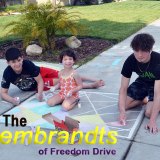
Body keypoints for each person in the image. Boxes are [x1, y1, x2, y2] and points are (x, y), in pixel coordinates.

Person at [1, 47, 104, 105]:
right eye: (13, 62)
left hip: (41, 72)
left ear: (22, 58)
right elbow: (3, 93)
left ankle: (92, 80)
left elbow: (40, 80)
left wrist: (40, 93)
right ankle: (91, 85)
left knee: (67, 74)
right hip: (34, 85)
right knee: (64, 80)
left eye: (19, 60)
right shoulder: (8, 73)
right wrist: (12, 100)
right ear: (8, 63)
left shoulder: (27, 64)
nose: (17, 64)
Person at [118, 33, 160, 134]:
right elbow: (123, 88)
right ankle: (145, 100)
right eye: (136, 51)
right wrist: (122, 111)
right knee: (124, 105)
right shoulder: (130, 60)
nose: (139, 55)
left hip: (156, 84)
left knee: (149, 113)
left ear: (150, 50)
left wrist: (152, 121)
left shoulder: (158, 61)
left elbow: (158, 93)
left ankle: (149, 101)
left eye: (143, 51)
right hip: (142, 81)